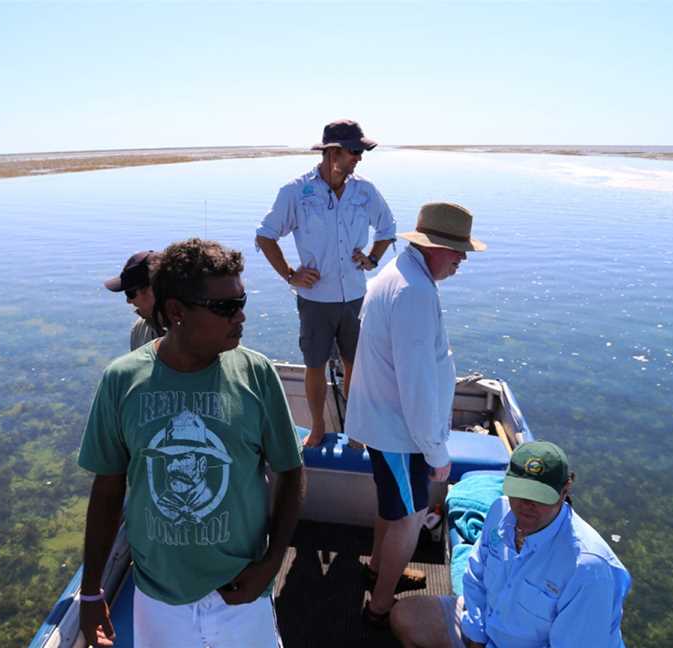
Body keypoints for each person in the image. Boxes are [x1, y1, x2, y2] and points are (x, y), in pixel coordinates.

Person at [78, 238, 306, 648]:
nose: (241, 316)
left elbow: (290, 471)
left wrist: (271, 563)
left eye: (242, 301)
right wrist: (92, 590)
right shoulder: (121, 380)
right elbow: (108, 487)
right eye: (224, 308)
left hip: (242, 592)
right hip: (158, 599)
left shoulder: (257, 374)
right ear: (176, 313)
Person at [344, 202, 487, 627]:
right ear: (432, 247)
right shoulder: (415, 293)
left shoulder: (394, 276)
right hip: (401, 434)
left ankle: (376, 569)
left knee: (392, 508)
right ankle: (381, 604)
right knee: (408, 519)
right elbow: (418, 385)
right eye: (457, 250)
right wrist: (436, 450)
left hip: (384, 424)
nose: (462, 258)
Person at [390, 441, 633, 648]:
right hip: (490, 629)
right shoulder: (500, 511)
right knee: (406, 616)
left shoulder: (589, 569)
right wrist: (475, 637)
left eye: (539, 496)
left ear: (565, 490)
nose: (526, 505)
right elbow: (476, 578)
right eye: (520, 491)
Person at [255, 119, 397, 447]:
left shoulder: (365, 191)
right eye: (354, 151)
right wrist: (290, 274)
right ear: (332, 152)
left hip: (355, 297)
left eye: (362, 151)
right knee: (315, 364)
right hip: (315, 299)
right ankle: (317, 427)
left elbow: (388, 228)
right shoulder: (295, 191)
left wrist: (373, 259)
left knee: (356, 366)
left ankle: (357, 431)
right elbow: (265, 235)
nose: (359, 157)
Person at [104, 249, 161, 350]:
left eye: (130, 293)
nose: (128, 301)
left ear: (151, 290)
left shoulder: (192, 333)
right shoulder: (139, 330)